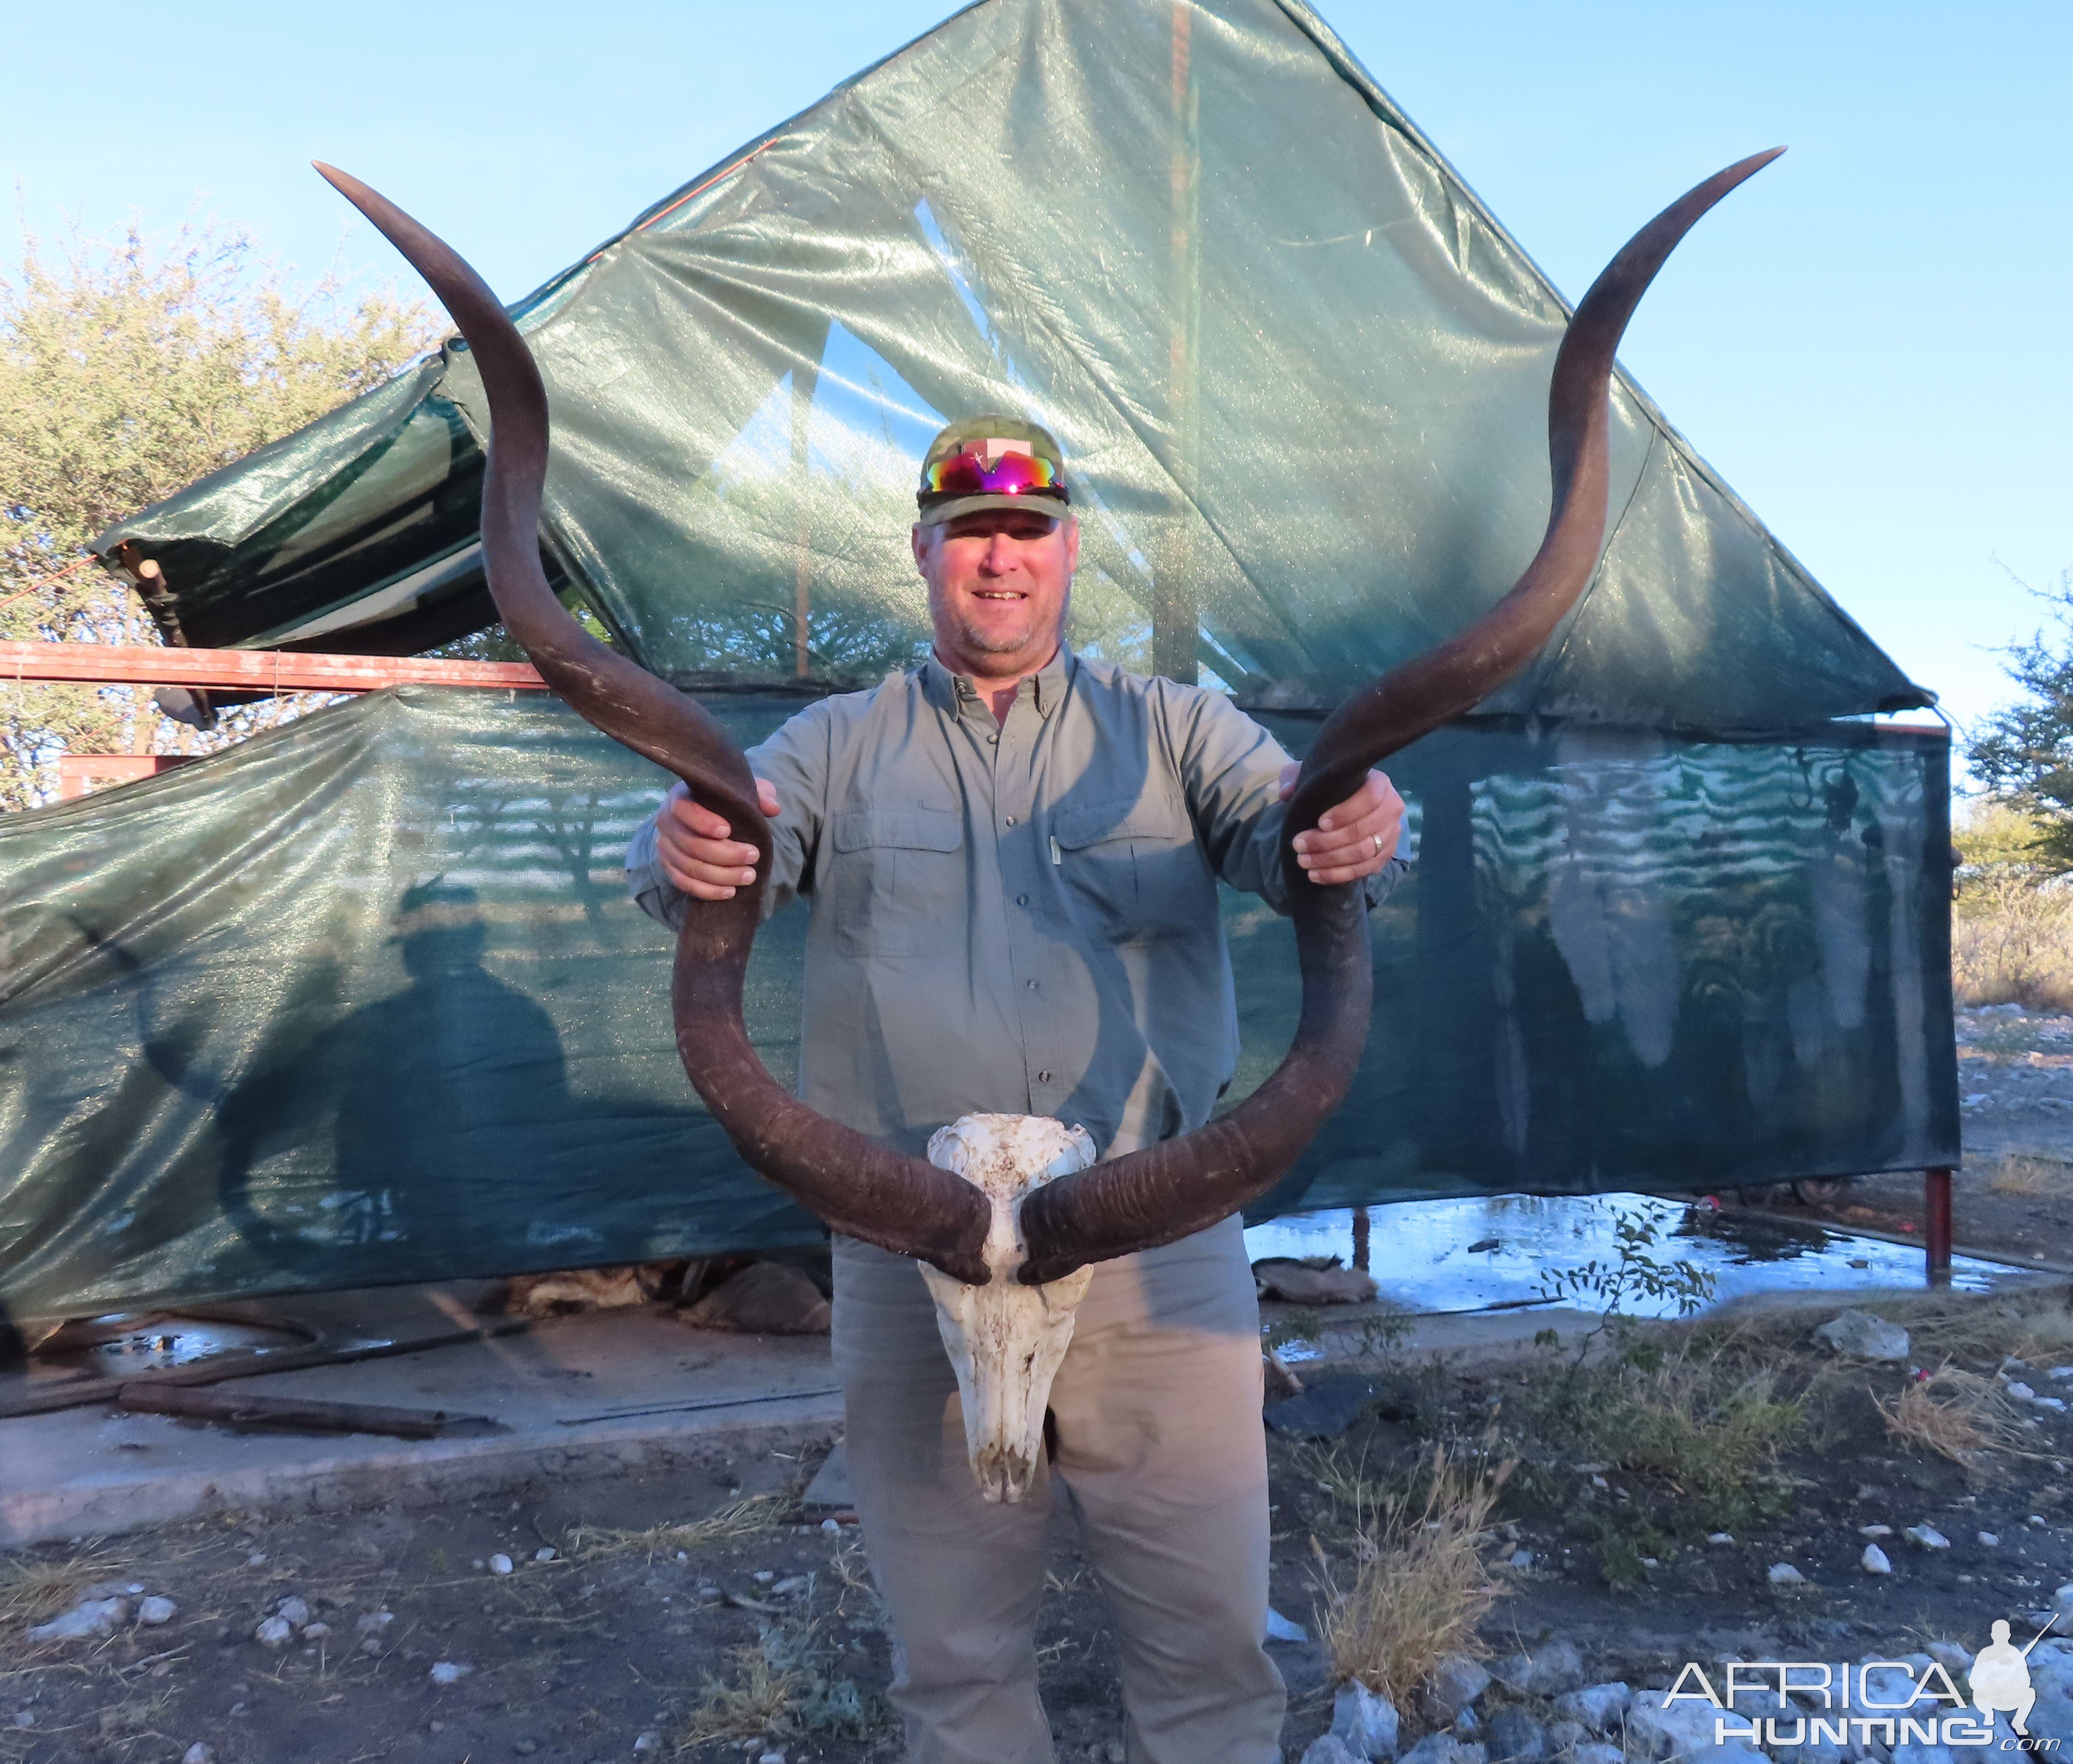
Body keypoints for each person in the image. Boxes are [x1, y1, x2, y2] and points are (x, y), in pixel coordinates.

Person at [626, 415, 1408, 1764]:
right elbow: (732, 834)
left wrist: (1350, 820)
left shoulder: (1175, 725)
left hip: (1152, 1244)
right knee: (953, 1657)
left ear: (1069, 550)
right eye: (971, 534)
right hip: (905, 1247)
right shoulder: (834, 741)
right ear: (924, 552)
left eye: (1027, 533)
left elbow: (1289, 828)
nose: (1001, 561)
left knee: (1207, 1645)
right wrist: (684, 837)